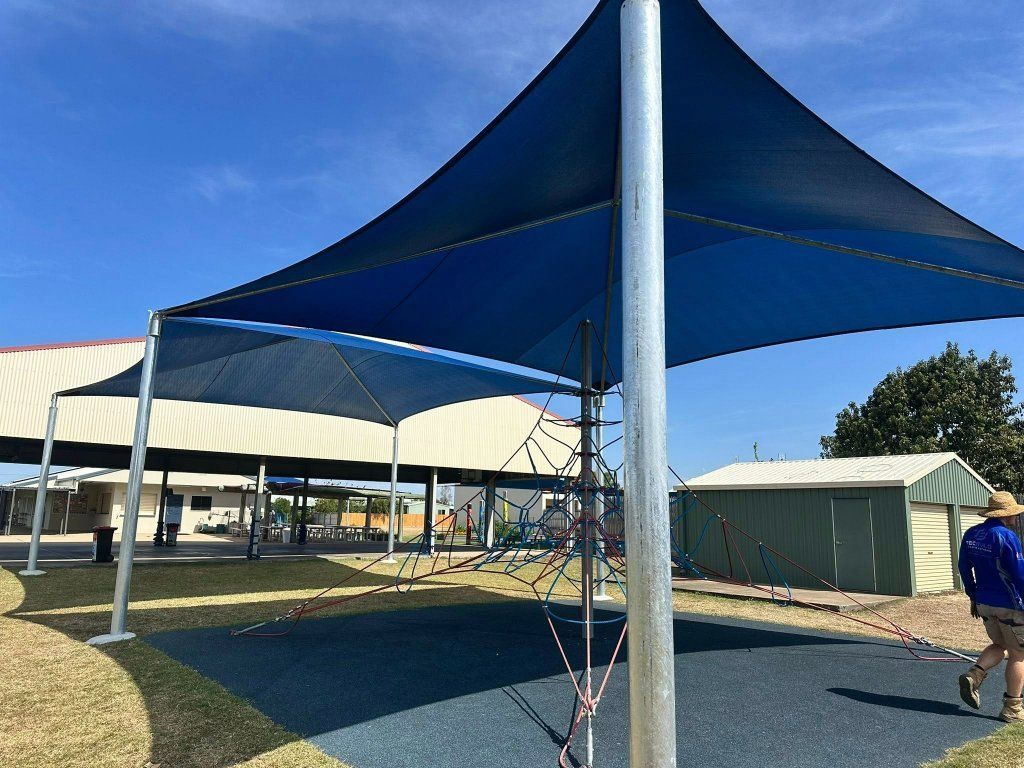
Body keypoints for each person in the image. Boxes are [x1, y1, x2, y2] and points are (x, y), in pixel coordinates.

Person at [958, 490, 1024, 722]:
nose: (1016, 518)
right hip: (1010, 603)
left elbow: (964, 567)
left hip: (984, 602)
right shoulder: (1006, 537)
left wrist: (973, 596)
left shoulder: (971, 534)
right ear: (1005, 515)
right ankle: (1012, 708)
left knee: (999, 644)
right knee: (1018, 654)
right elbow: (1018, 575)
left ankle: (974, 675)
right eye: (1014, 514)